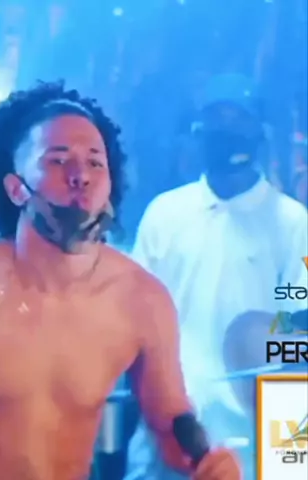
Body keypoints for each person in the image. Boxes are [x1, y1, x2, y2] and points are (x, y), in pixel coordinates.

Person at [0, 82, 242, 480]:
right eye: (58, 161)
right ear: (16, 188)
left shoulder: (139, 300)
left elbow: (170, 417)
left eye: (94, 163)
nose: (80, 176)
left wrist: (207, 460)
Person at [125, 73, 308, 480]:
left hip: (249, 447)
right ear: (197, 132)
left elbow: (297, 343)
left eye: (237, 120)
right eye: (215, 121)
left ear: (259, 132)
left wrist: (291, 460)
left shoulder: (293, 224)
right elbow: (132, 321)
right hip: (163, 438)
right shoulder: (165, 214)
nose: (226, 131)